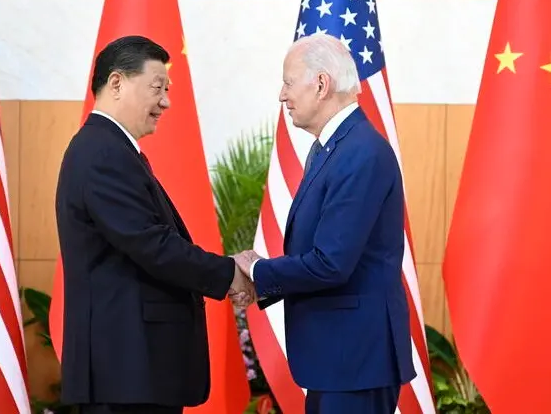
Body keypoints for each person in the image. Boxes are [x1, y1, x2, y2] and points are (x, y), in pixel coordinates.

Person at [55, 35, 253, 414]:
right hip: (125, 371)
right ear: (117, 83)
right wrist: (230, 273)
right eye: (157, 87)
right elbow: (152, 244)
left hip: (135, 370)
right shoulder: (102, 153)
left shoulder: (112, 149)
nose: (166, 101)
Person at [233, 34, 416, 414]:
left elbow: (331, 262)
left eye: (287, 82)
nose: (282, 95)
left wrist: (258, 271)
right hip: (340, 359)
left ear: (321, 84)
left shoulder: (360, 152)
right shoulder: (336, 148)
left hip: (354, 361)